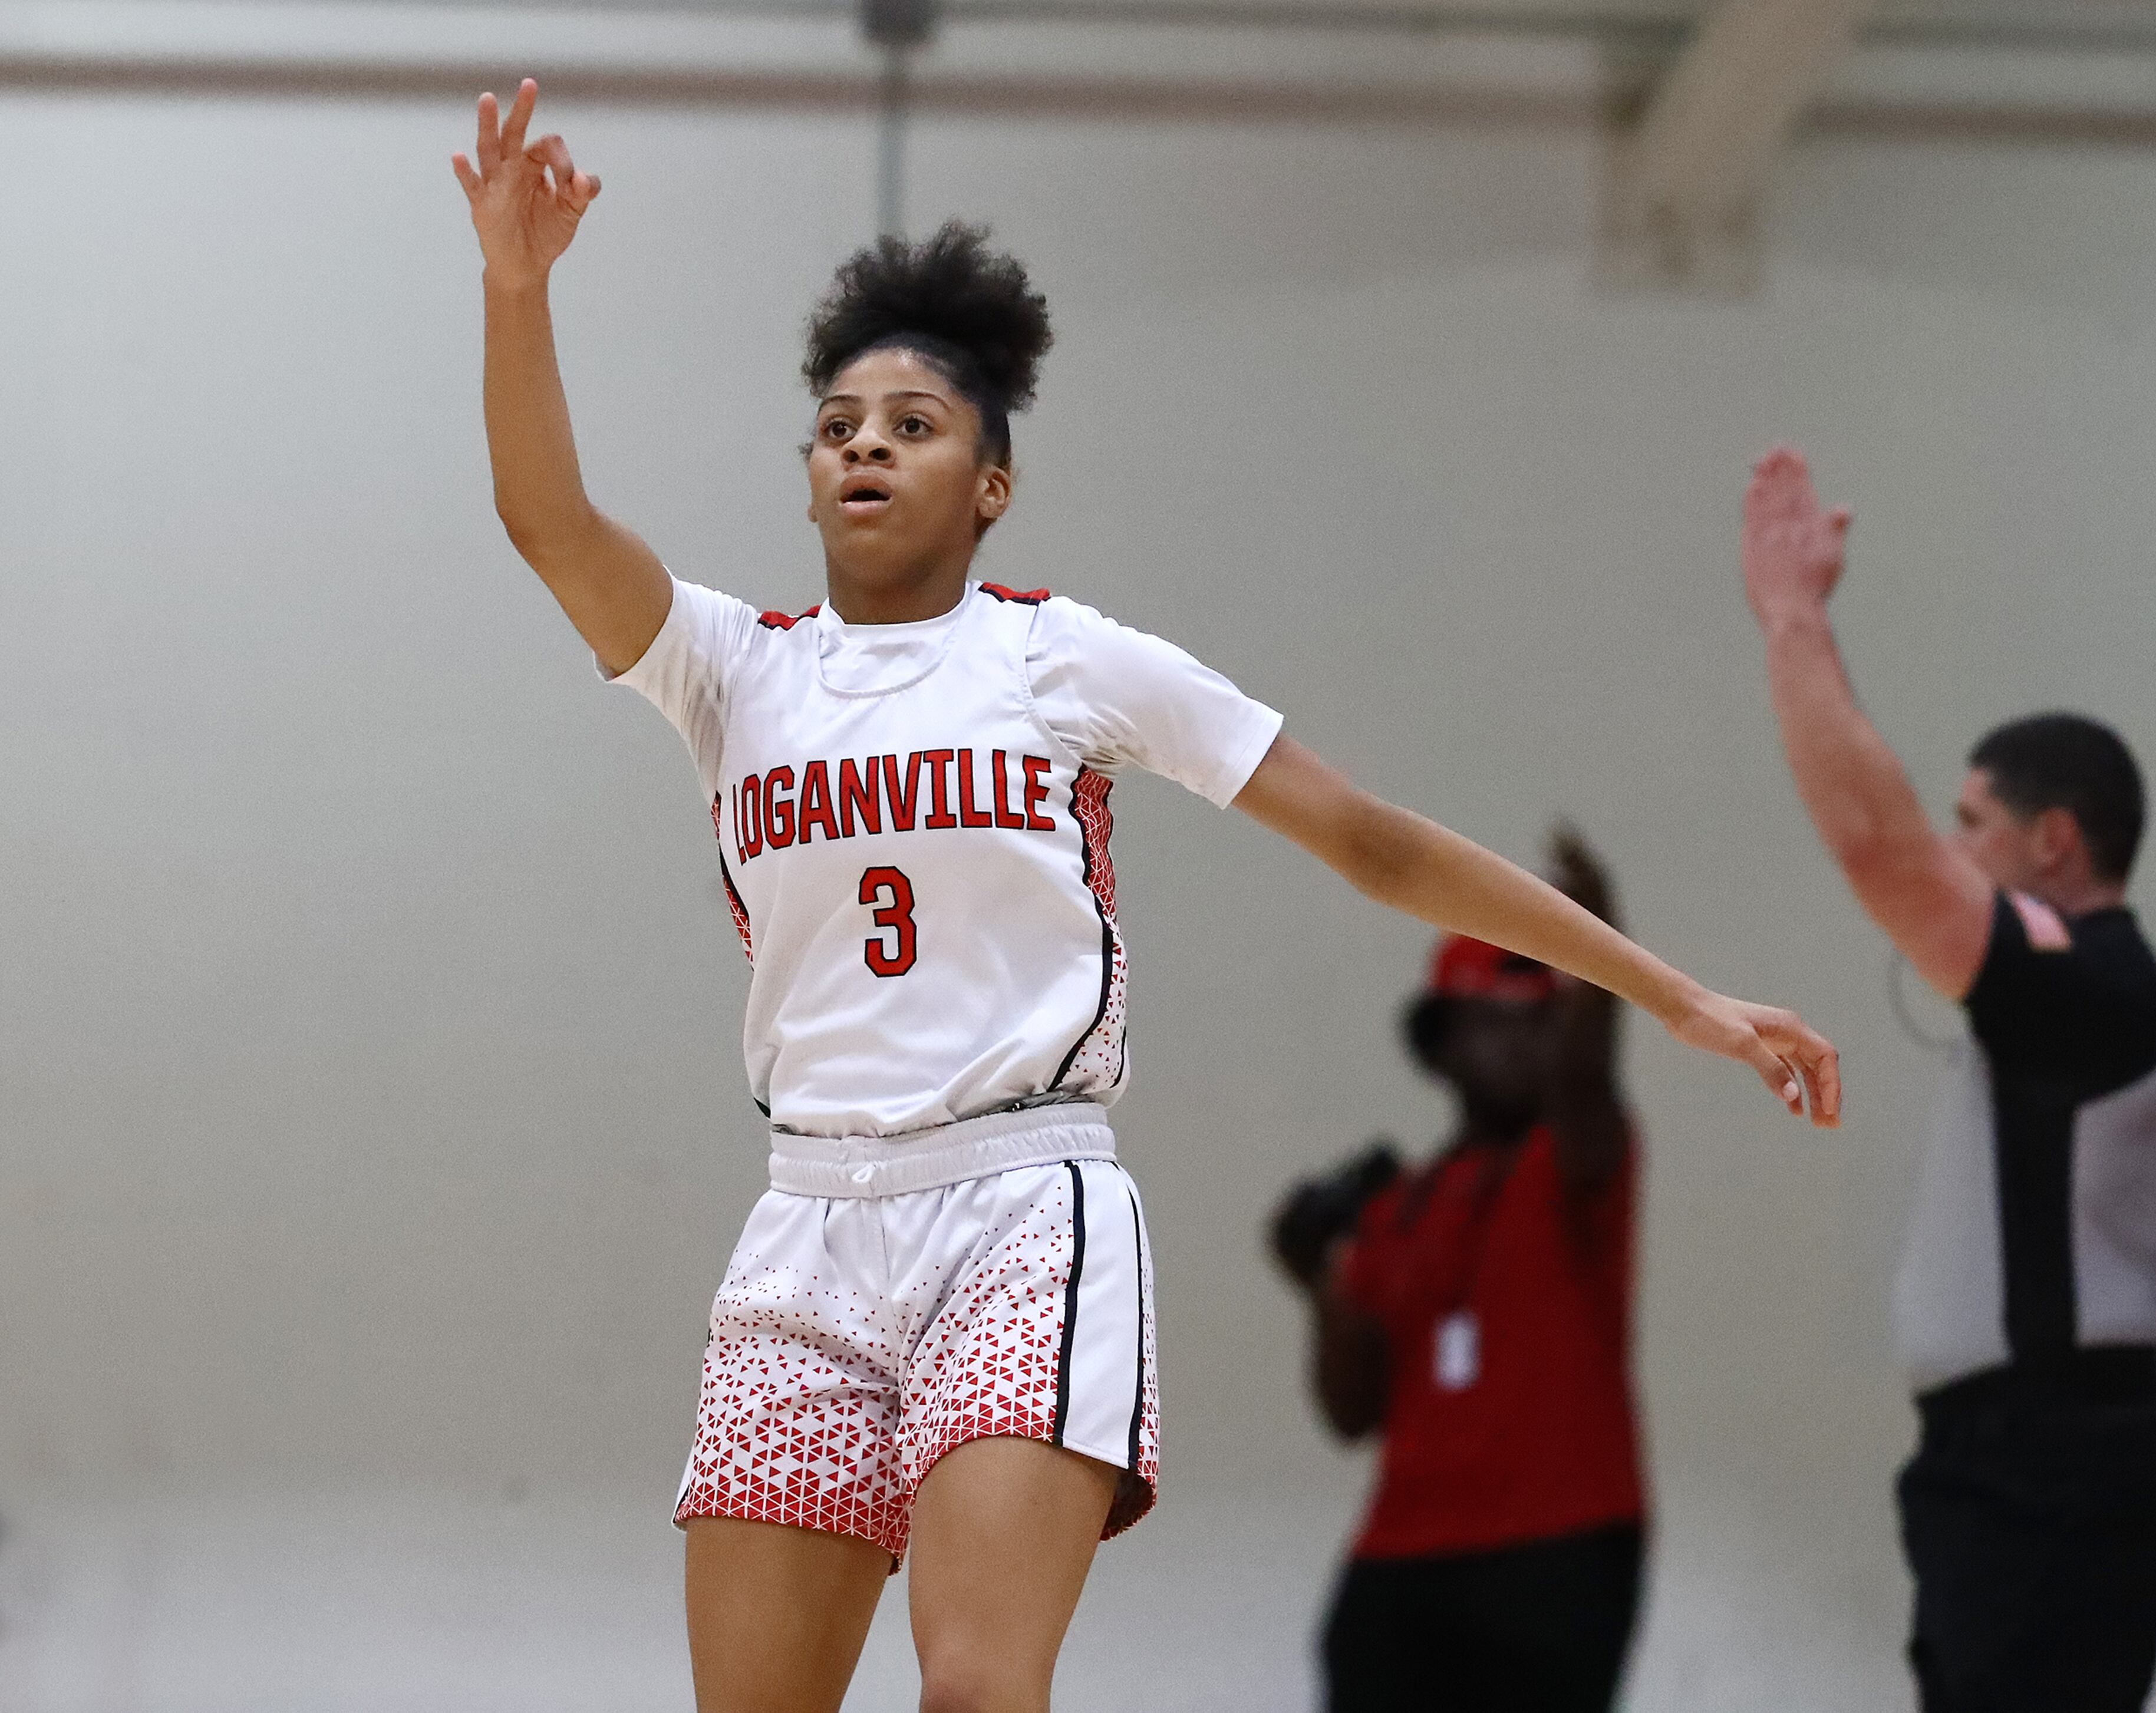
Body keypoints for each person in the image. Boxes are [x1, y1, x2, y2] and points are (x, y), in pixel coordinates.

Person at [449, 80, 1841, 1713]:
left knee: (974, 1688)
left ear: (993, 483)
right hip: (805, 1221)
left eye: (914, 425)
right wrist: (517, 289)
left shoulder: (1061, 656)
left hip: (1019, 1200)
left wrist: (1669, 989)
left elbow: (1371, 836)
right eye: (838, 427)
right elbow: (546, 519)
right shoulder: (733, 670)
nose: (867, 447)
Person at [1740, 447, 2156, 1713]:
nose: (1950, 847)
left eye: (1974, 820)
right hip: (2009, 1462)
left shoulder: (2097, 982)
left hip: (2053, 1467)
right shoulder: (2071, 994)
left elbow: (1879, 851)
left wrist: (1792, 617)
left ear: (2055, 842)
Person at [1271, 828, 1646, 1713]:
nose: (1527, 1047)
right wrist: (1315, 1282)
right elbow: (1352, 1412)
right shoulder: (1399, 1206)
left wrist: (1599, 943)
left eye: (1544, 1023)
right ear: (1440, 1046)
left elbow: (1590, 1079)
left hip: (1559, 1544)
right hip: (1401, 1554)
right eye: (1496, 1022)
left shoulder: (1575, 1162)